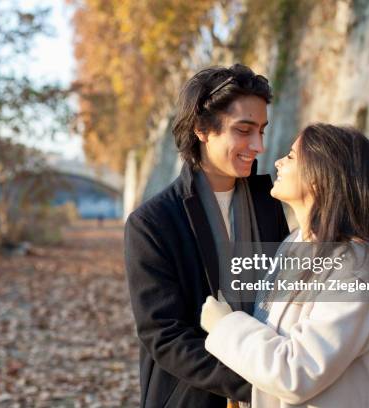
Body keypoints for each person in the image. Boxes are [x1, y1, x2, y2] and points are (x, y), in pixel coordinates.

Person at [201, 123, 369, 407]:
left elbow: (298, 372)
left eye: (292, 156)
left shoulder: (356, 267)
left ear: (321, 176)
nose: (278, 162)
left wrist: (225, 326)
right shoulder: (293, 244)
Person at [124, 64, 289, 407]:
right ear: (202, 128)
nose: (258, 145)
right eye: (244, 130)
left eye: (262, 130)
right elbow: (164, 335)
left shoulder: (268, 203)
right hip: (192, 397)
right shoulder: (153, 223)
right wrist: (254, 387)